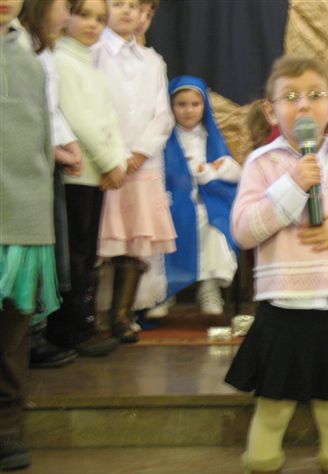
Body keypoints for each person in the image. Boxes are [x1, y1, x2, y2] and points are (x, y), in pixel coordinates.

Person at [225, 55, 328, 474]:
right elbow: (244, 231)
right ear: (270, 110)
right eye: (291, 96)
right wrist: (293, 185)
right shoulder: (262, 164)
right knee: (273, 411)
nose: (303, 105)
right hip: (284, 309)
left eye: (315, 95)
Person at [93, 0, 175, 343]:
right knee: (102, 241)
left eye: (133, 6)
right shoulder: (94, 52)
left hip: (141, 164)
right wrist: (113, 156)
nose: (127, 12)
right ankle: (92, 314)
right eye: (118, 4)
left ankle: (122, 315)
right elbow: (92, 109)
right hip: (103, 162)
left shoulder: (152, 60)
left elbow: (162, 115)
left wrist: (138, 154)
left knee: (135, 242)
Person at [46, 0, 125, 358]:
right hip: (77, 175)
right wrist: (110, 162)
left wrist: (116, 162)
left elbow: (110, 120)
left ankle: (84, 324)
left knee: (87, 253)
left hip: (97, 176)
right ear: (66, 17)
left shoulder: (90, 66)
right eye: (83, 15)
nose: (93, 24)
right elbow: (79, 121)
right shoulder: (61, 60)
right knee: (74, 256)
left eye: (100, 19)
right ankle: (70, 329)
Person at [0, 0, 59, 469]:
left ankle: (6, 428)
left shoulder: (29, 61)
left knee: (12, 334)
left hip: (20, 224)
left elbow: (41, 146)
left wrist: (38, 220)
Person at [18, 0, 82, 368]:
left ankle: (35, 334)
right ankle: (27, 339)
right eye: (64, 6)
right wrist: (55, 149)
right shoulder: (20, 46)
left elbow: (50, 107)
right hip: (24, 163)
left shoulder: (44, 47)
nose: (67, 15)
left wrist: (67, 142)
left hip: (44, 161)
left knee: (44, 249)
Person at [153, 75, 240, 316]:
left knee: (213, 226)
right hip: (171, 202)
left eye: (195, 104)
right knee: (171, 223)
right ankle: (166, 291)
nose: (189, 110)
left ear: (204, 106)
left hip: (208, 202)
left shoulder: (211, 138)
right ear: (171, 106)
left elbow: (230, 175)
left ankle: (209, 289)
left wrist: (210, 171)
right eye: (181, 104)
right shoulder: (163, 138)